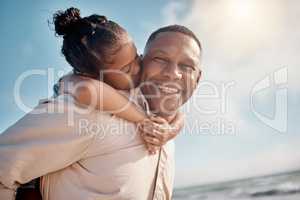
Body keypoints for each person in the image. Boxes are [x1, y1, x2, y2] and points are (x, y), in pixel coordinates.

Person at [0, 9, 202, 200]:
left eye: (187, 66)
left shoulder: (164, 132)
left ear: (198, 78)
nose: (172, 73)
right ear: (144, 59)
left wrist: (170, 129)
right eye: (160, 59)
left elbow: (177, 117)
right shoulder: (86, 112)